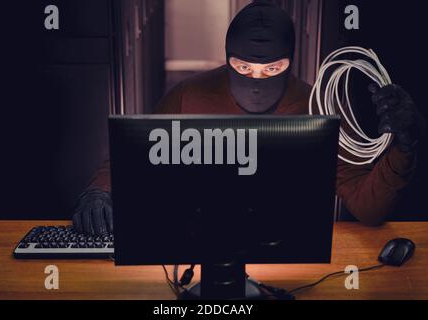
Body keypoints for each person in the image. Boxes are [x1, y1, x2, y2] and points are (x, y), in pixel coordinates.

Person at [72, 2, 425, 235]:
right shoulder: (188, 95)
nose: (257, 79)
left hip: (283, 256)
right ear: (228, 59)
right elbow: (132, 154)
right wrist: (98, 193)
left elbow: (368, 205)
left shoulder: (316, 110)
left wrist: (403, 148)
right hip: (196, 244)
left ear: (290, 62)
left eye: (271, 68)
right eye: (244, 67)